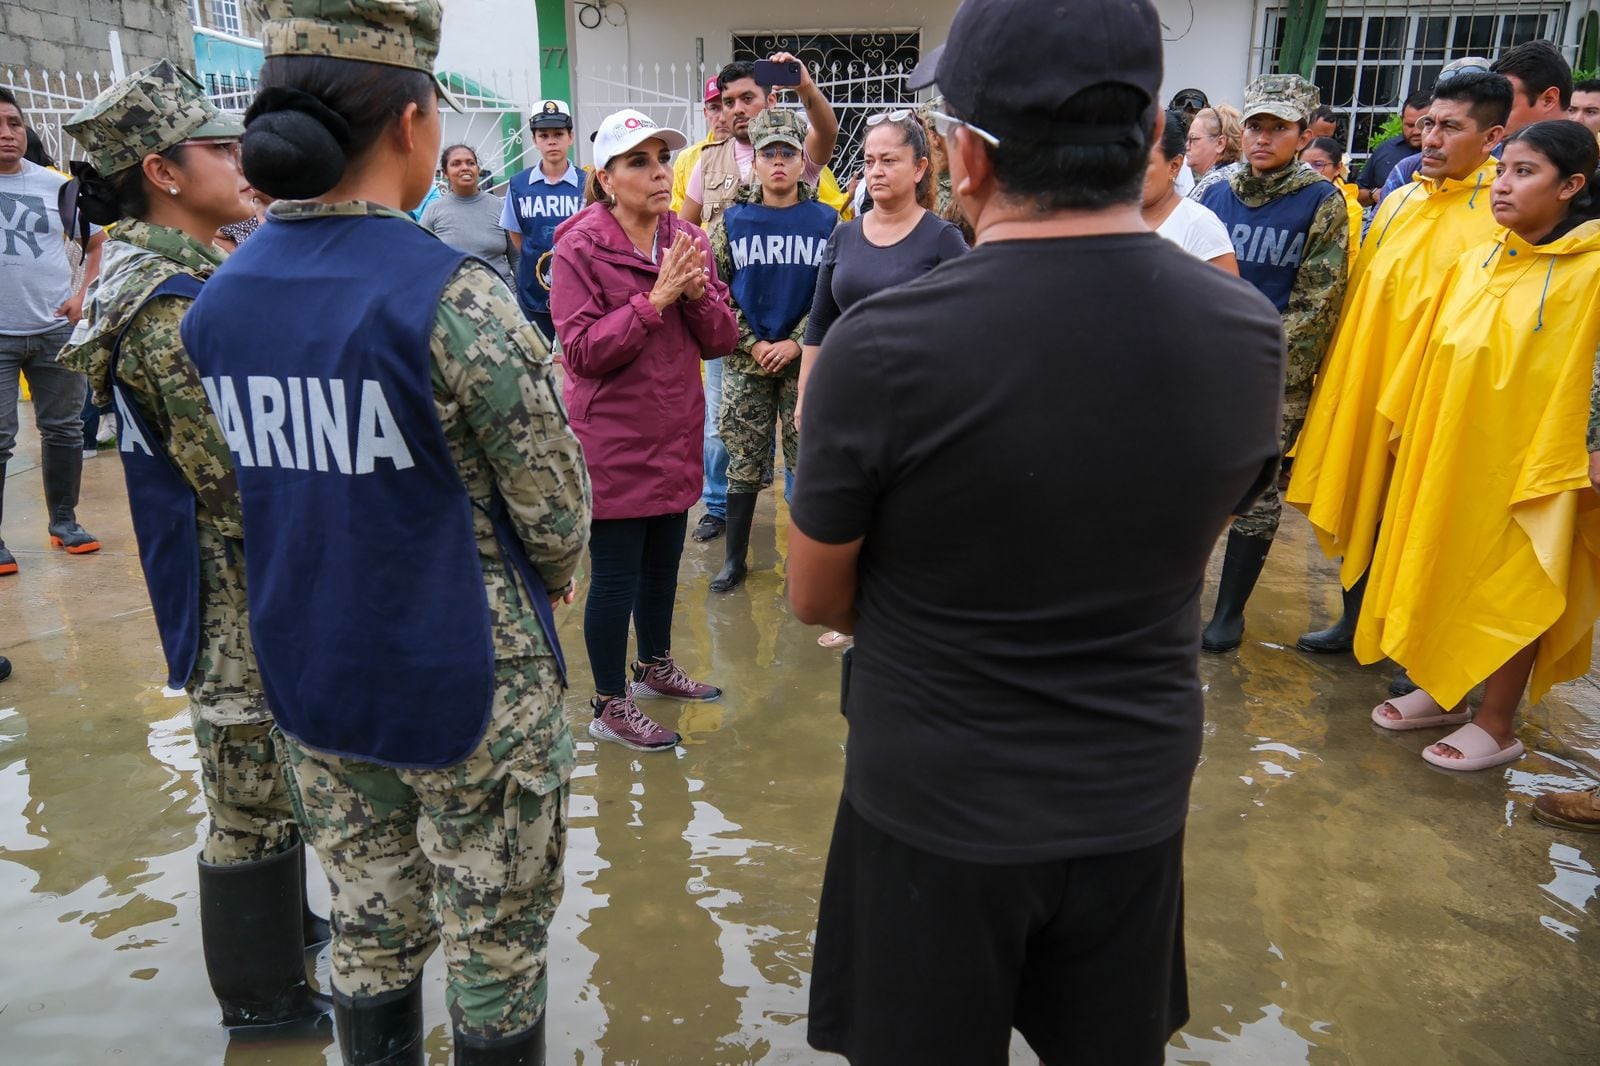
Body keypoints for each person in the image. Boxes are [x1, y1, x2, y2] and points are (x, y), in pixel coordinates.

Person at [789, 0, 1285, 1059]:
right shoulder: (1245, 334)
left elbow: (816, 597)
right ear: (1150, 131)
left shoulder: (883, 346)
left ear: (963, 157)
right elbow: (1194, 525)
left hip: (931, 799)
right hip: (1132, 793)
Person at [180, 1, 592, 1060]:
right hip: (465, 675)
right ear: (411, 124)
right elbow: (553, 510)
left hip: (311, 668)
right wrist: (550, 575)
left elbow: (238, 492)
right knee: (493, 940)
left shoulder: (216, 303)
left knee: (367, 926)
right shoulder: (452, 293)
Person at [56, 59, 331, 1033]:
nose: (243, 160)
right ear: (162, 172)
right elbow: (237, 484)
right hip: (232, 588)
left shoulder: (176, 268)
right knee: (247, 791)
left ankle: (293, 935)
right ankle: (266, 1006)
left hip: (236, 579)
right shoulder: (170, 300)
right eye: (219, 148)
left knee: (267, 773)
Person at [1358, 121, 1600, 773]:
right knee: (1444, 555)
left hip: (1537, 461)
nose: (1504, 184)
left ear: (1572, 186)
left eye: (1526, 172)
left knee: (1511, 582)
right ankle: (1439, 687)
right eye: (1503, 169)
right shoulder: (1487, 255)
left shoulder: (1594, 270)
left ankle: (1496, 723)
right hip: (1458, 445)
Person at [1287, 71, 1513, 657]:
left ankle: (1419, 645)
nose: (1431, 139)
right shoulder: (1403, 199)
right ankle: (1356, 618)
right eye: (1429, 125)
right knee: (1366, 498)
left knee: (1427, 516)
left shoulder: (1501, 215)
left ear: (1491, 137)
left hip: (1441, 397)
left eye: (1450, 128)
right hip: (1373, 383)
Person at [550, 108, 738, 752]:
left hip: (675, 427)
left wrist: (693, 295)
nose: (658, 173)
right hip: (613, 438)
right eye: (639, 162)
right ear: (607, 179)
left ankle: (654, 666)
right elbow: (579, 351)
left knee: (664, 566)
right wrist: (653, 302)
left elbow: (720, 340)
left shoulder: (687, 239)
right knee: (616, 576)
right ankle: (608, 703)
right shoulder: (578, 246)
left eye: (662, 159)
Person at [794, 110, 966, 649]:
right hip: (849, 399)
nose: (876, 171)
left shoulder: (943, 239)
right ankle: (855, 610)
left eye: (889, 160)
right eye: (869, 161)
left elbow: (966, 328)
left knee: (908, 510)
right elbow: (819, 322)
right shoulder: (844, 237)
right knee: (855, 506)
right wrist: (805, 395)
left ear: (920, 168)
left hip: (918, 405)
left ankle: (906, 606)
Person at [1196, 74, 1349, 652]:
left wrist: (1255, 366)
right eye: (1256, 125)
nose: (1263, 138)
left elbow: (1316, 303)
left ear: (1304, 134)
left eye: (1279, 128)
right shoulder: (1213, 189)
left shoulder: (1321, 201)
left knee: (1255, 489)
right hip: (1201, 366)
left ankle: (1229, 612)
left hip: (1271, 377)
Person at [706, 109, 837, 592]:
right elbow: (714, 290)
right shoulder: (731, 221)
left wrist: (796, 341)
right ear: (754, 163)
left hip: (806, 360)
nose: (778, 162)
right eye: (769, 154)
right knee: (741, 459)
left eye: (787, 153)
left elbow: (835, 290)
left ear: (802, 160)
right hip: (748, 360)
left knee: (807, 462)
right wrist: (756, 341)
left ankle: (805, 562)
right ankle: (735, 560)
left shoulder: (827, 221)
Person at [1, 86, 106, 574]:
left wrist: (81, 296)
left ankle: (64, 521)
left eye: (14, 124)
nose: (7, 134)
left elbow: (96, 243)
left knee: (63, 430)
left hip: (54, 331)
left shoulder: (55, 185)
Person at [680, 57, 839, 230]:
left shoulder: (795, 150)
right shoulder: (708, 161)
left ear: (771, 101)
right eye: (729, 102)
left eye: (747, 98)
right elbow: (684, 233)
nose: (738, 109)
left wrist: (805, 87)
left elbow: (827, 132)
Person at [502, 99, 583, 342]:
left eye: (558, 134)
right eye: (543, 135)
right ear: (535, 140)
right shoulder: (518, 184)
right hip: (533, 293)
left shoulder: (588, 184)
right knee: (537, 363)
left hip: (580, 292)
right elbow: (517, 235)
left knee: (580, 364)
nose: (551, 141)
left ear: (571, 137)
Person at [1143, 109, 1236, 272]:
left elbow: (1228, 296)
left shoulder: (1200, 225)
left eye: (1144, 163)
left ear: (1174, 166)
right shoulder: (1109, 219)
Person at [421, 143, 519, 284]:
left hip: (503, 298)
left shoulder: (501, 207)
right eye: (456, 164)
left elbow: (516, 259)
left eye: (470, 163)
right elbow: (423, 259)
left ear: (478, 170)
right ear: (445, 173)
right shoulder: (433, 211)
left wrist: (522, 299)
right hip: (454, 300)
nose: (465, 168)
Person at [1355, 90, 1429, 206]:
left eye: (1423, 125)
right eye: (1409, 125)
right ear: (1401, 120)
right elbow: (1357, 195)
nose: (1416, 131)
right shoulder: (1385, 150)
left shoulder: (1445, 155)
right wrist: (1373, 194)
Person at [1301, 136, 1364, 268]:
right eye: (1303, 165)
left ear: (1337, 168)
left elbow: (1346, 257)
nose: (1310, 171)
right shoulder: (1293, 194)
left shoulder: (1349, 207)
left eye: (1318, 165)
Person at [1186, 103, 1244, 200]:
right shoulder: (1239, 177)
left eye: (1193, 138)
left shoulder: (1213, 189)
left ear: (1220, 143)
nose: (1187, 146)